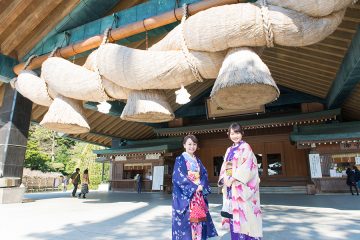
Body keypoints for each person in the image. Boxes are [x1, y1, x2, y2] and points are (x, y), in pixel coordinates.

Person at [218, 123, 262, 239]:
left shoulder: (246, 147)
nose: (235, 136)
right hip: (231, 188)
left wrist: (233, 178)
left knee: (245, 216)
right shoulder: (229, 149)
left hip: (241, 188)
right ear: (229, 135)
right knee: (234, 217)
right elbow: (225, 166)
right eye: (232, 133)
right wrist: (225, 179)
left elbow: (249, 167)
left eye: (237, 133)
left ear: (242, 133)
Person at [172, 134, 218, 240]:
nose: (192, 146)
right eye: (189, 144)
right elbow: (178, 177)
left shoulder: (198, 161)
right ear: (184, 145)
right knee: (187, 221)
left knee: (199, 219)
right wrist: (193, 187)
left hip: (198, 193)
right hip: (186, 195)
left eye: (194, 144)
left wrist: (201, 185)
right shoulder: (179, 159)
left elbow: (204, 174)